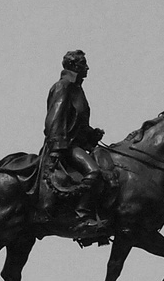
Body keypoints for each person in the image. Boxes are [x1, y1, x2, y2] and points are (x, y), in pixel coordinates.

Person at [43, 49, 112, 244]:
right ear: (73, 66)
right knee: (94, 172)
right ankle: (82, 217)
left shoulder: (76, 89)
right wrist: (57, 148)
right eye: (83, 64)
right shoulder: (63, 86)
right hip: (65, 146)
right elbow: (54, 120)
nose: (87, 68)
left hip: (75, 144)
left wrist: (91, 134)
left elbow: (76, 123)